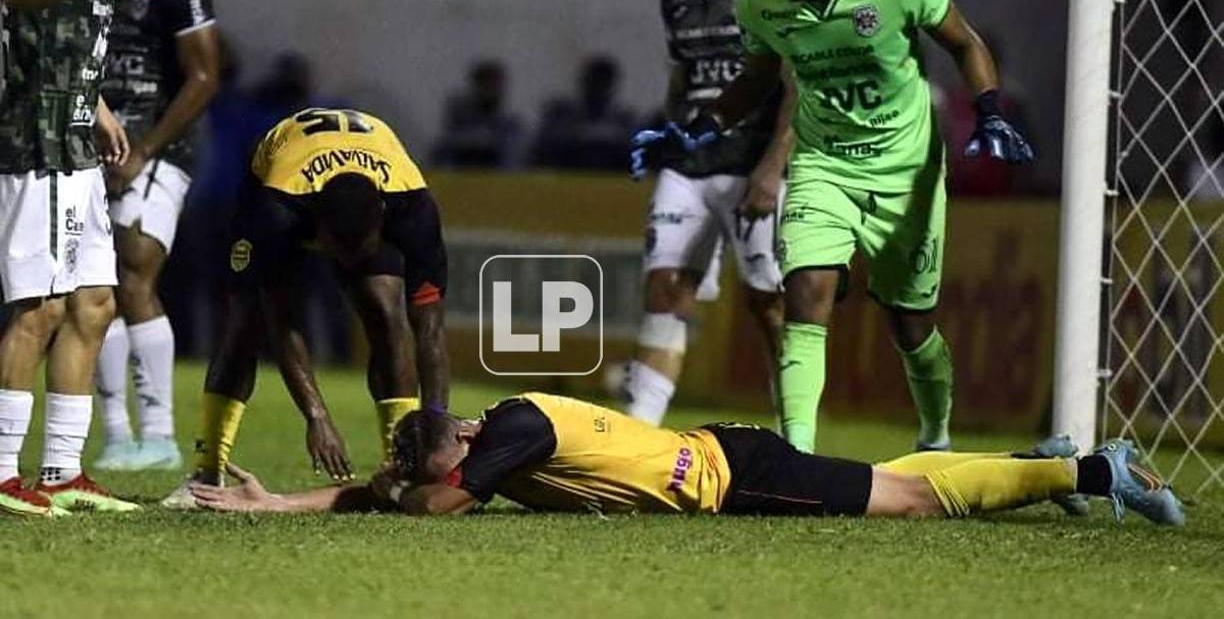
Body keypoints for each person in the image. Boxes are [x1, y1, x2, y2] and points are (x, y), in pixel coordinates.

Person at [631, 0, 1035, 454]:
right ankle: (797, 454)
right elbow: (758, 78)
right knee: (804, 291)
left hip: (905, 170)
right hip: (823, 164)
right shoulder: (759, 1)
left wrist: (989, 111)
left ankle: (936, 436)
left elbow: (965, 43)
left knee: (910, 322)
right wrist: (697, 128)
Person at [187, 392, 1185, 527]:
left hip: (732, 478)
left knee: (915, 502)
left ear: (455, 444)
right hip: (725, 460)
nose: (444, 472)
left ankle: (1097, 473)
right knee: (895, 476)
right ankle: (1034, 459)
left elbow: (438, 510)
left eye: (432, 462)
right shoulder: (491, 438)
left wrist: (403, 494)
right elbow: (380, 494)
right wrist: (271, 505)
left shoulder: (515, 432)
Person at [162, 107, 450, 507]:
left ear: (382, 225)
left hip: (367, 169)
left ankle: (399, 468)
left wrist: (436, 426)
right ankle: (205, 472)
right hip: (277, 170)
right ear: (318, 229)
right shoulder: (276, 208)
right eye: (337, 252)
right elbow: (282, 322)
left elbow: (430, 331)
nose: (345, 267)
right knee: (243, 323)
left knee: (387, 312)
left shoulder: (413, 207)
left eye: (359, 254)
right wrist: (317, 416)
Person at [0, 0, 160, 517]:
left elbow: (54, 37)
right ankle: (2, 472)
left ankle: (62, 473)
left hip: (74, 147)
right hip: (35, 149)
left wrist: (94, 106)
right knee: (39, 309)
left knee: (95, 304)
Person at [622, 0, 790, 427]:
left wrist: (772, 168)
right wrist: (671, 134)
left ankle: (797, 434)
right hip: (691, 166)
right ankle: (638, 433)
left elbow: (797, 82)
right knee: (665, 285)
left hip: (752, 166)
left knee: (769, 302)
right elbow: (682, 76)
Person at [91, 0, 220, 471]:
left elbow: (203, 76)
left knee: (136, 267)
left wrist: (144, 150)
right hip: (92, 142)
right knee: (91, 286)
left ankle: (161, 433)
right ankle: (119, 435)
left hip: (159, 145)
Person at [530, 55, 636, 171]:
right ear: (584, 82)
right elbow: (544, 148)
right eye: (594, 81)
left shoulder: (624, 120)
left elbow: (635, 153)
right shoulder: (560, 114)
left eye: (603, 82)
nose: (598, 88)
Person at [431, 60, 524, 168]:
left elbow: (513, 161)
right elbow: (444, 153)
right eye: (486, 85)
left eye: (494, 85)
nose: (490, 90)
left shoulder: (510, 125)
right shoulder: (460, 119)